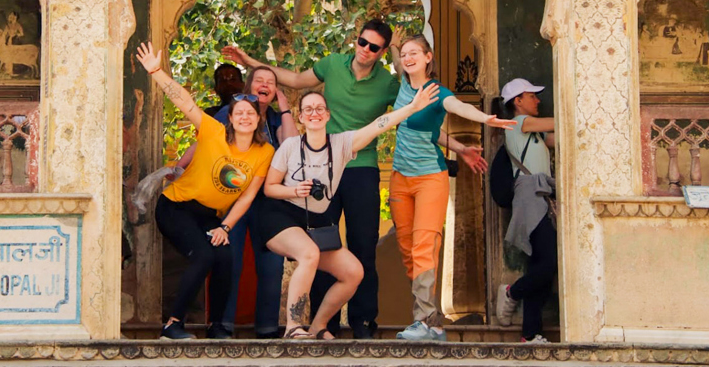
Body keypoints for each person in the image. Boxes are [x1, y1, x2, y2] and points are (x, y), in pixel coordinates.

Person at [222, 20, 486, 339]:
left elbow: (416, 119)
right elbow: (292, 78)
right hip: (323, 167)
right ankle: (323, 325)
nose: (365, 49)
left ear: (383, 51)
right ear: (356, 39)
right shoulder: (333, 64)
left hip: (362, 167)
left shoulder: (389, 85)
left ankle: (363, 322)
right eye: (362, 42)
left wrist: (459, 148)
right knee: (319, 243)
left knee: (363, 246)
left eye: (374, 47)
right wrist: (251, 62)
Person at [259, 85, 440, 339]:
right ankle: (293, 327)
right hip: (280, 216)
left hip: (314, 221)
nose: (314, 113)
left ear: (328, 115)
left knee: (353, 272)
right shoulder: (289, 147)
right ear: (300, 117)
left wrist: (412, 107)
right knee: (309, 253)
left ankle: (317, 327)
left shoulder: (341, 144)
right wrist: (295, 191)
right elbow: (269, 188)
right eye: (308, 109)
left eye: (319, 108)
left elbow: (379, 124)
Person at [135, 41, 275, 340]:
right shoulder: (213, 132)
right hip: (177, 207)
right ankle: (173, 324)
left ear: (258, 118)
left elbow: (248, 196)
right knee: (203, 256)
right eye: (238, 113)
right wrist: (157, 72)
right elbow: (185, 103)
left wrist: (225, 226)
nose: (245, 117)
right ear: (230, 118)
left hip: (211, 216)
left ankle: (217, 328)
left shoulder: (264, 152)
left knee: (225, 257)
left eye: (250, 113)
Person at [389, 35, 516, 341]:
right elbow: (428, 132)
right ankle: (431, 323)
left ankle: (421, 320)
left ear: (428, 57)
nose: (408, 58)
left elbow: (458, 107)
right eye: (405, 55)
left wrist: (486, 118)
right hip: (399, 179)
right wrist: (395, 46)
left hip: (430, 177)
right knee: (408, 251)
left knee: (423, 246)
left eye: (414, 53)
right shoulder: (405, 87)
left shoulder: (437, 93)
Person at [176, 66, 297, 338]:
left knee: (271, 263)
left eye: (271, 82)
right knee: (229, 259)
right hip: (234, 197)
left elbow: (291, 147)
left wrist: (285, 106)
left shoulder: (277, 118)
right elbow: (207, 140)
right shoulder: (232, 112)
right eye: (259, 80)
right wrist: (179, 167)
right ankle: (221, 325)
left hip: (269, 201)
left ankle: (267, 328)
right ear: (248, 87)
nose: (265, 85)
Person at [496, 78, 556, 344]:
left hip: (541, 195)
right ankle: (512, 292)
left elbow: (559, 136)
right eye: (532, 96)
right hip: (530, 195)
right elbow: (561, 122)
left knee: (540, 264)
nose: (538, 100)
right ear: (517, 101)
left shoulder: (535, 133)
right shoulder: (517, 123)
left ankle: (530, 334)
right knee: (551, 261)